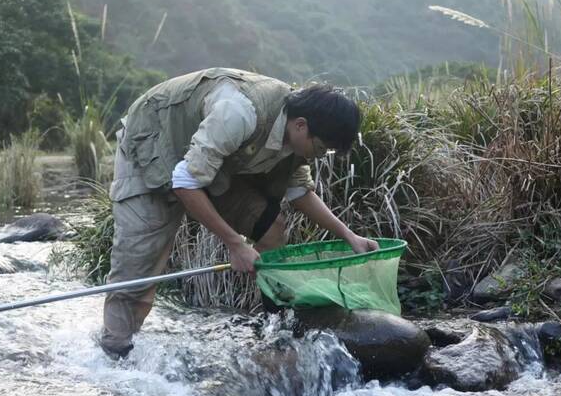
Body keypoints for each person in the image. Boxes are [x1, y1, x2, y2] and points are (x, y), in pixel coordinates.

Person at [100, 67, 378, 359]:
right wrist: (236, 245)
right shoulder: (239, 112)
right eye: (320, 148)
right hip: (154, 141)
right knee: (139, 263)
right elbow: (185, 182)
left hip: (213, 162)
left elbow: (299, 192)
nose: (318, 156)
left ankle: (277, 332)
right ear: (300, 125)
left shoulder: (294, 134)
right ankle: (115, 350)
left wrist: (349, 236)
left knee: (271, 229)